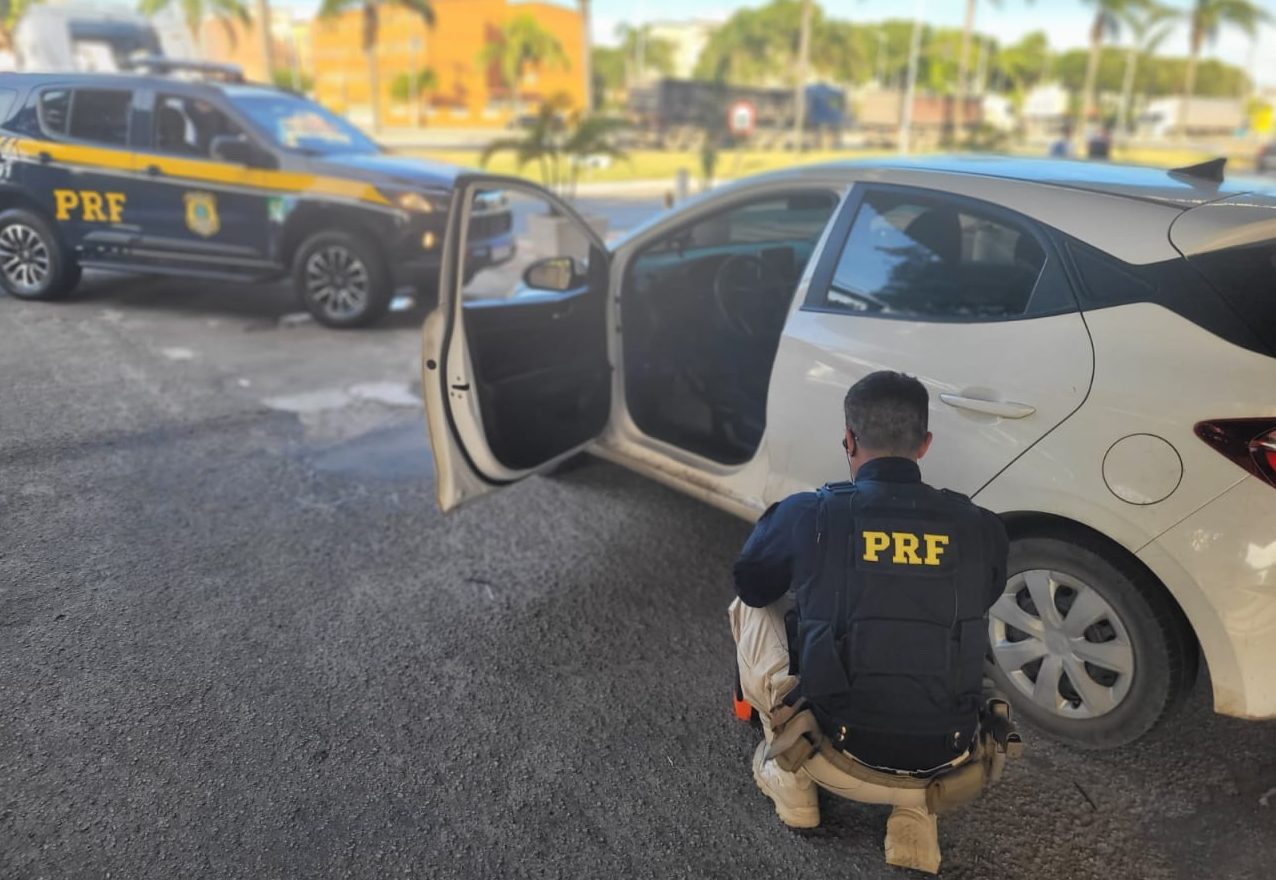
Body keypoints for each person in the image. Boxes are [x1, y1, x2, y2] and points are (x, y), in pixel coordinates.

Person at [728, 371, 1016, 875]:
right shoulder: (981, 526)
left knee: (748, 608)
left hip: (833, 757)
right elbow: (985, 596)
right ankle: (914, 816)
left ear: (848, 440)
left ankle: (793, 784)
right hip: (949, 763)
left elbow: (753, 586)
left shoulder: (809, 514)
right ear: (925, 445)